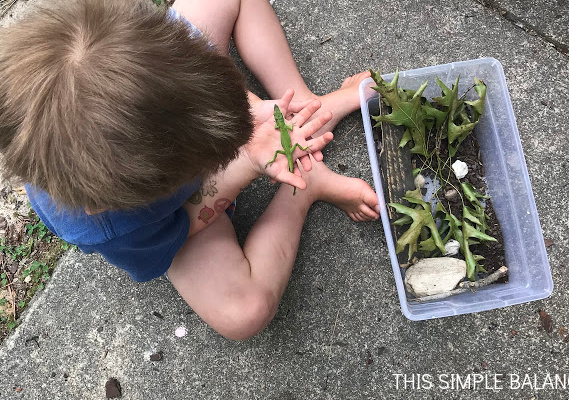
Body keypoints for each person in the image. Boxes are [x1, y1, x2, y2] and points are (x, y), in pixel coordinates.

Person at [0, 0, 380, 340]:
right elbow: (186, 222)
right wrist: (248, 160)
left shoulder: (158, 57)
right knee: (244, 313)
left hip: (167, 118)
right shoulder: (110, 225)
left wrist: (244, 112)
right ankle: (302, 187)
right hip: (180, 217)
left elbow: (199, 83)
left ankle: (306, 108)